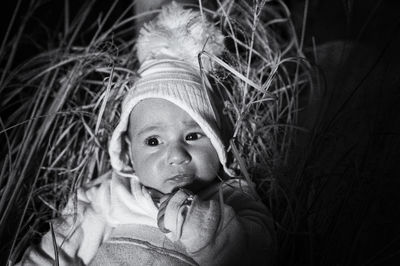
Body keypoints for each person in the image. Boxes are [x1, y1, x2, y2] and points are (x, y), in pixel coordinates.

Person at [17, 2, 275, 265]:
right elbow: (59, 251)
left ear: (218, 141)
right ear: (129, 153)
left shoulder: (232, 198)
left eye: (193, 135)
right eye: (153, 141)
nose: (176, 155)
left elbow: (260, 251)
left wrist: (205, 228)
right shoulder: (112, 195)